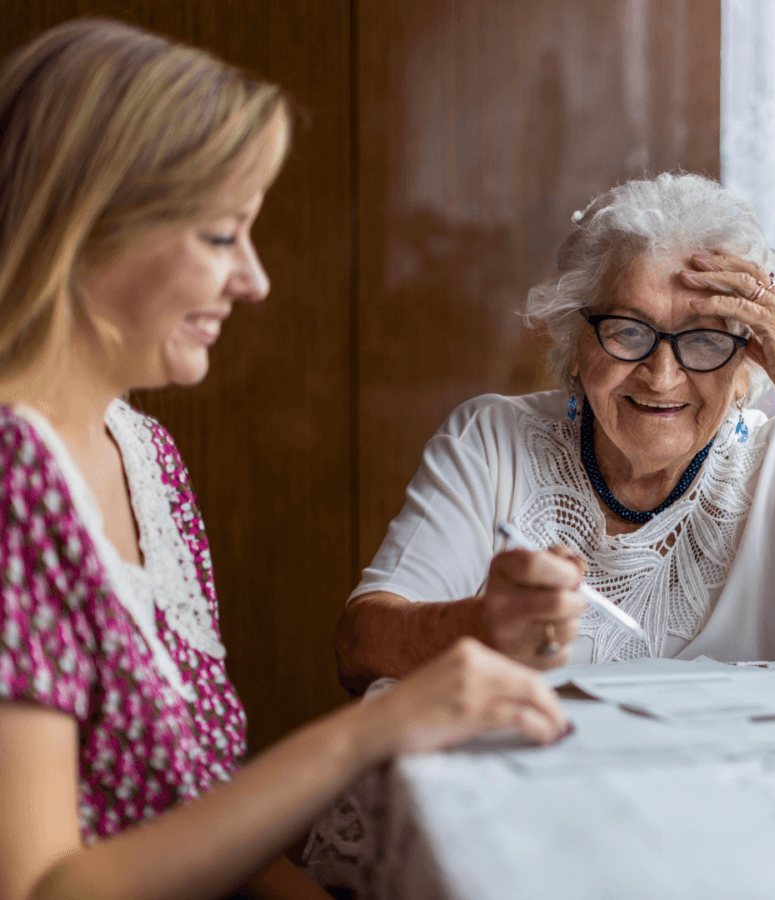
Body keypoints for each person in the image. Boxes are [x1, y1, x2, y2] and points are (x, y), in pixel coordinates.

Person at [0, 19, 569, 900]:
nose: (256, 279)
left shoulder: (145, 456)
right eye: (222, 236)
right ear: (90, 228)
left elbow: (194, 816)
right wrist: (370, 733)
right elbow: (42, 888)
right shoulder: (13, 476)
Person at [334, 172, 775, 692]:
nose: (663, 376)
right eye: (629, 331)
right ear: (577, 344)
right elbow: (360, 644)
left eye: (704, 339)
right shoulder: (492, 439)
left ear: (749, 362)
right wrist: (479, 623)